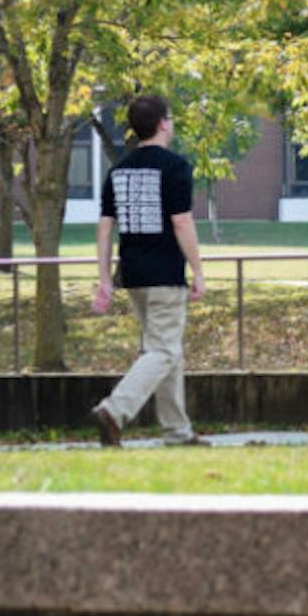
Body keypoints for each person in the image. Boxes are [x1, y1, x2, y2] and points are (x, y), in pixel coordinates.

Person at [90, 95, 209, 448]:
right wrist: (199, 270)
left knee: (167, 350)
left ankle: (177, 431)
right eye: (170, 118)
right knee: (163, 351)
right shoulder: (175, 167)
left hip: (134, 275)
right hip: (165, 275)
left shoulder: (119, 170)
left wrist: (104, 279)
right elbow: (182, 222)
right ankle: (115, 409)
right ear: (162, 123)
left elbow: (104, 227)